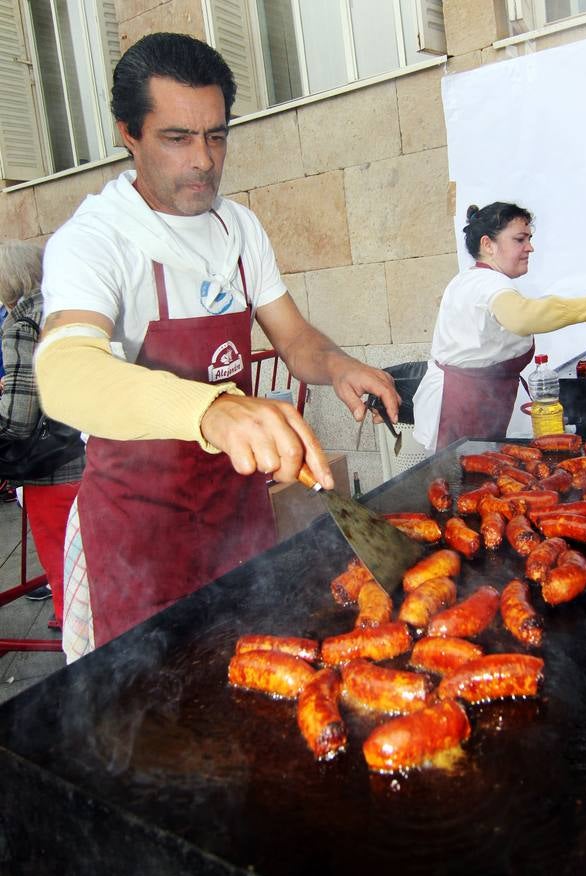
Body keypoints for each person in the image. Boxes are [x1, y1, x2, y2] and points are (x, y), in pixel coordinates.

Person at [34, 32, 400, 662]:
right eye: (177, 138)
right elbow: (66, 373)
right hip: (141, 532)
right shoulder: (95, 240)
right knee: (152, 697)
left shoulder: (239, 229)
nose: (203, 160)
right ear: (129, 134)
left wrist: (337, 365)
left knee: (256, 665)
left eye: (216, 136)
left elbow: (295, 338)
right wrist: (212, 408)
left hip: (236, 514)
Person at [413, 202, 586, 452]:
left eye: (529, 239)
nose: (530, 247)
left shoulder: (471, 279)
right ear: (488, 244)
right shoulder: (488, 283)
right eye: (519, 239)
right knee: (460, 471)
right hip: (462, 405)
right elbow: (523, 317)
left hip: (476, 399)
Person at [0, 241, 84, 627]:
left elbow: (16, 421)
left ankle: (79, 647)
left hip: (53, 471)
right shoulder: (72, 306)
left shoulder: (23, 324)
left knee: (68, 577)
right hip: (96, 455)